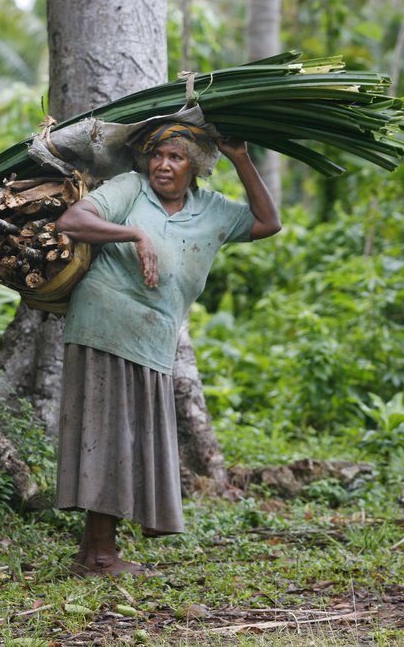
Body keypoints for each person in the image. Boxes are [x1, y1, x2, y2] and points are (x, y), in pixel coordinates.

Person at [54, 122, 281, 576]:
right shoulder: (131, 188)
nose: (163, 165)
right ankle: (101, 555)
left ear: (194, 168)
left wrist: (240, 157)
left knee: (124, 438)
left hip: (153, 336)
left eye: (176, 158)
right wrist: (135, 236)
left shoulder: (211, 209)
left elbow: (268, 222)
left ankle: (92, 551)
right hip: (104, 323)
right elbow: (72, 220)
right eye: (158, 155)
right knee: (110, 437)